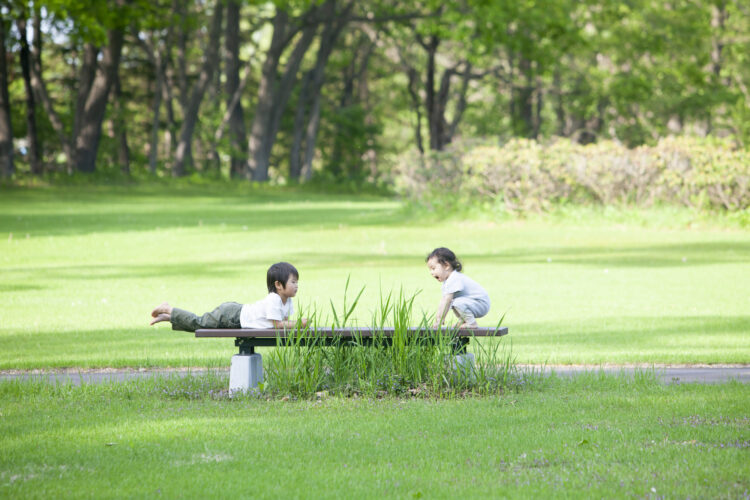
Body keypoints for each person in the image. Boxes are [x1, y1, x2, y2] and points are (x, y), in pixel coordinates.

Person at [149, 262, 307, 331]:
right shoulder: (274, 299)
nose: (296, 285)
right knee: (200, 323)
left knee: (200, 323)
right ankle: (168, 309)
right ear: (279, 285)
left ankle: (168, 317)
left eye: (297, 282)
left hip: (238, 316)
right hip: (232, 315)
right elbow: (278, 325)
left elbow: (284, 322)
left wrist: (294, 323)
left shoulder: (287, 300)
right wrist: (299, 323)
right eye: (293, 282)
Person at [426, 247, 490, 328]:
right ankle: (464, 320)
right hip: (475, 303)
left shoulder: (454, 278)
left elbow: (446, 301)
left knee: (456, 302)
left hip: (480, 304)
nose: (431, 272)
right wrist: (438, 319)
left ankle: (471, 323)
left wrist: (439, 320)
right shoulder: (448, 281)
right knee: (455, 302)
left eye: (433, 268)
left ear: (446, 266)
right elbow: (443, 302)